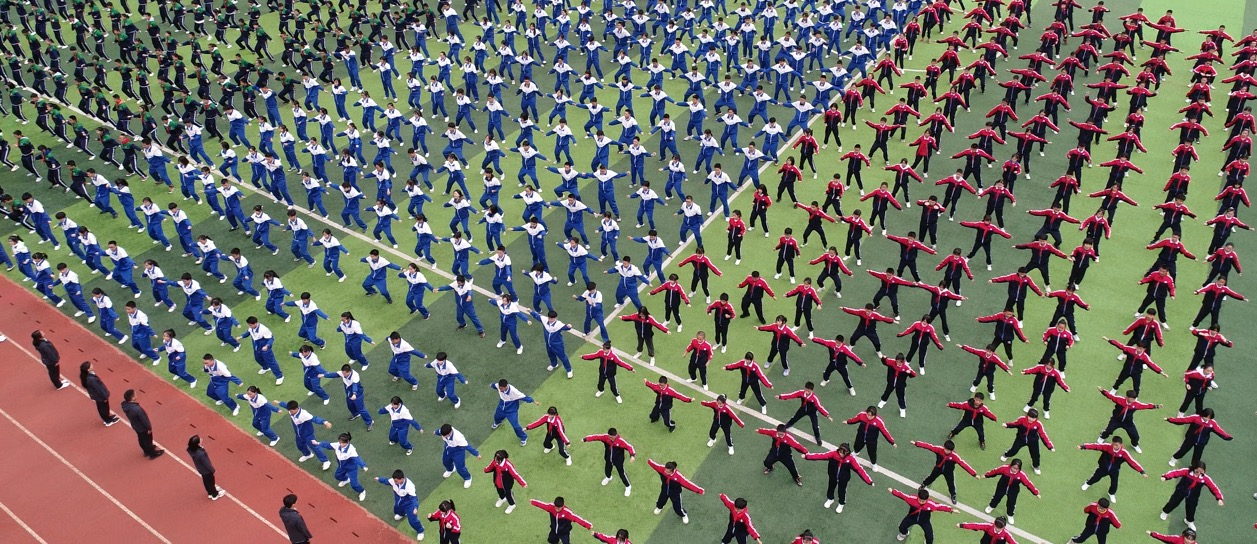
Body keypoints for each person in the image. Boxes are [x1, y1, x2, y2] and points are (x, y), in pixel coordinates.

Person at [804, 442, 873, 513]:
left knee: (842, 491)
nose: (841, 454)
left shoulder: (851, 459)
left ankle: (841, 503)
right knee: (831, 487)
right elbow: (821, 456)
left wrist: (869, 481)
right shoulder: (833, 454)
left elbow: (859, 469)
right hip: (832, 476)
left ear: (847, 452)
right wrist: (807, 456)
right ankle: (830, 499)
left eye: (843, 453)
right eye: (840, 452)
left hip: (843, 479)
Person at [1079, 435, 1148, 503]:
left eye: (1116, 445)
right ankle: (1087, 483)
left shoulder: (1124, 453)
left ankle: (1111, 493)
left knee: (1114, 484)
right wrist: (1084, 446)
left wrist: (1142, 471)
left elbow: (1132, 462)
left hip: (1115, 471)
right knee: (1095, 477)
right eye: (1113, 444)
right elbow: (1095, 446)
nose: (1114, 446)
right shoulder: (1107, 447)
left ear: (1121, 444)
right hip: (1103, 468)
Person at [1159, 462, 1224, 531]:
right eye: (1197, 471)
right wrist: (1166, 477)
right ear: (1193, 468)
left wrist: (1219, 498)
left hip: (1193, 496)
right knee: (1173, 502)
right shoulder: (1187, 471)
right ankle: (1165, 512)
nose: (1198, 474)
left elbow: (1213, 488)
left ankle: (1189, 521)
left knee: (1191, 509)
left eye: (1201, 472)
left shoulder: (1205, 478)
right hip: (1180, 491)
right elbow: (1175, 473)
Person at [914, 439, 977, 505]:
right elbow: (929, 446)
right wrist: (917, 443)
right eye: (946, 449)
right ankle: (924, 485)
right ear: (944, 447)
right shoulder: (939, 449)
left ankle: (953, 495)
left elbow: (963, 464)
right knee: (931, 477)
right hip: (938, 469)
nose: (947, 451)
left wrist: (974, 474)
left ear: (952, 450)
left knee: (951, 483)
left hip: (949, 472)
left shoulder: (955, 456)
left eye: (949, 450)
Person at [980, 458, 1040, 525]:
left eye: (1017, 469)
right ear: (1011, 465)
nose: (1015, 470)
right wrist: (986, 475)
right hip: (1001, 487)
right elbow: (995, 471)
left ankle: (1010, 515)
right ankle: (991, 506)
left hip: (1013, 491)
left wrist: (1036, 493)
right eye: (1014, 468)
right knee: (996, 498)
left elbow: (1028, 484)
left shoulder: (1022, 475)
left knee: (1011, 503)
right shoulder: (1004, 468)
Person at [583, 428, 636, 496]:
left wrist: (632, 456)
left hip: (618, 461)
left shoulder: (621, 441)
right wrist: (585, 439)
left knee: (622, 474)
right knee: (607, 470)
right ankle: (608, 477)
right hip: (608, 459)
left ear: (615, 435)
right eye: (609, 436)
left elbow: (630, 447)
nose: (610, 438)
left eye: (611, 437)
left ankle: (628, 486)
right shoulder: (606, 437)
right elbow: (596, 437)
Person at [377, 470, 426, 539]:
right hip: (399, 502)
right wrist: (379, 479)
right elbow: (386, 481)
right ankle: (401, 514)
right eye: (394, 481)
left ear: (402, 479)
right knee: (397, 509)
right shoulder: (394, 481)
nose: (394, 482)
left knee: (412, 520)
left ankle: (420, 530)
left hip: (409, 504)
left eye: (396, 481)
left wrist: (415, 507)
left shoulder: (409, 486)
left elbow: (414, 498)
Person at [492, 379, 540, 446]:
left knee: (515, 426)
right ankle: (498, 422)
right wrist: (490, 385)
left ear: (506, 386)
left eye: (501, 388)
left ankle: (524, 437)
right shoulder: (498, 386)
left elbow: (525, 397)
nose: (500, 390)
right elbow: (494, 385)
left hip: (511, 411)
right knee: (497, 417)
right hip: (501, 407)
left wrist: (534, 401)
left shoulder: (514, 392)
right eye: (499, 388)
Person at [435, 424, 482, 488]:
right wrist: (435, 432)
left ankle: (468, 478)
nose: (443, 436)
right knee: (445, 461)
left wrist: (477, 454)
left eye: (444, 435)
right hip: (448, 449)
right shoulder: (443, 431)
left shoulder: (458, 437)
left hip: (458, 452)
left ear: (449, 433)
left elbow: (468, 447)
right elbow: (438, 432)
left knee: (460, 468)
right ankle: (451, 469)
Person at [121, 389, 164, 459]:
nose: (136, 395)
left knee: (141, 439)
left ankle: (146, 451)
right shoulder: (137, 409)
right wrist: (149, 428)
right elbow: (144, 420)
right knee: (148, 440)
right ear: (132, 398)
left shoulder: (126, 406)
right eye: (135, 394)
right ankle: (152, 453)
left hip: (136, 426)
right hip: (143, 428)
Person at [485, 450, 528, 514]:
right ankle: (502, 499)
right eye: (495, 457)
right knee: (499, 491)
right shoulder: (495, 461)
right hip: (498, 482)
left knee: (508, 494)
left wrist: (523, 483)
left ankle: (512, 505)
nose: (495, 460)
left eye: (497, 459)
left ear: (502, 459)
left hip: (507, 484)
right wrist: (486, 470)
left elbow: (515, 474)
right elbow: (490, 467)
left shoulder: (508, 465)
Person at [80, 362, 120, 426]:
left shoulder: (86, 376)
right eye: (90, 365)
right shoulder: (92, 379)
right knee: (103, 408)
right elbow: (99, 389)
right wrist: (105, 397)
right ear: (88, 369)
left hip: (97, 396)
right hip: (100, 396)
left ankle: (107, 418)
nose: (92, 365)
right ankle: (108, 421)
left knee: (103, 407)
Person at [187, 435, 224, 500]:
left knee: (206, 481)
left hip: (201, 469)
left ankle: (210, 493)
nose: (201, 439)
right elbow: (206, 464)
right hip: (206, 471)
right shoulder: (201, 454)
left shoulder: (191, 450)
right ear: (198, 444)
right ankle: (215, 494)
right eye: (199, 439)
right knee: (211, 482)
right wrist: (213, 470)